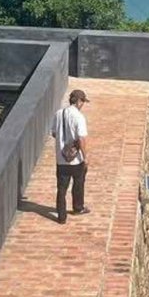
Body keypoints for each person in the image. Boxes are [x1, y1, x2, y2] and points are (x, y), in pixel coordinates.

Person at [51, 89, 90, 223]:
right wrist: (85, 157)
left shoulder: (58, 114)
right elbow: (82, 139)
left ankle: (61, 216)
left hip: (61, 158)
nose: (83, 104)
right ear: (79, 101)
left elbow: (54, 134)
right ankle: (78, 207)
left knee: (61, 188)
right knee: (78, 183)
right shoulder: (79, 117)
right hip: (76, 160)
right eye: (83, 101)